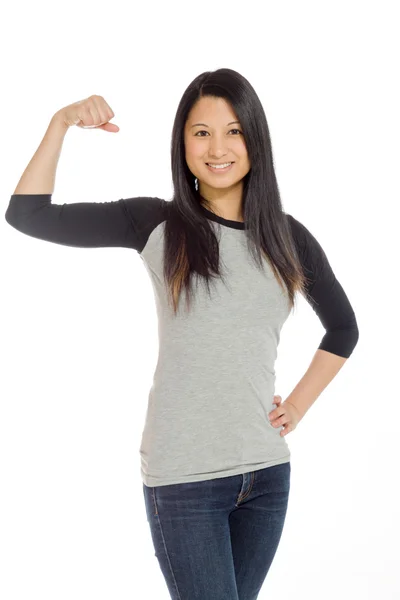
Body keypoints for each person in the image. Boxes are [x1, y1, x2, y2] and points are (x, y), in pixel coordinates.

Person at [5, 68, 359, 600]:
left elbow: (344, 328)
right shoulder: (156, 224)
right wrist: (60, 124)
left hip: (266, 475)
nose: (218, 147)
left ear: (255, 140)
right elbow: (28, 215)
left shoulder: (289, 238)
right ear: (183, 143)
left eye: (234, 130)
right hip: (184, 478)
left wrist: (299, 406)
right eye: (201, 132)